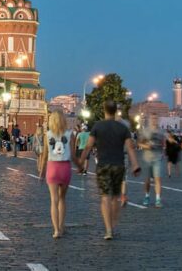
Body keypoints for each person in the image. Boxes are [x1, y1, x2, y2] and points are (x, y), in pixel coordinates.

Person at [76, 101, 140, 240]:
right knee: (116, 197)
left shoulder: (98, 126)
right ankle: (113, 224)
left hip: (103, 165)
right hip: (118, 165)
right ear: (115, 110)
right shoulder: (123, 128)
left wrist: (81, 163)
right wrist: (135, 165)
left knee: (105, 197)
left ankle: (108, 229)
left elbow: (88, 147)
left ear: (104, 110)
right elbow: (130, 148)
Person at [38, 111, 74, 239]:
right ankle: (62, 226)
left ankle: (56, 230)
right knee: (62, 199)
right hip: (65, 167)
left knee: (54, 200)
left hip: (52, 168)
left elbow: (45, 155)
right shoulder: (70, 134)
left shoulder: (47, 135)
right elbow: (73, 155)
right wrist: (80, 166)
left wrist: (41, 172)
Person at [139, 115, 166, 208]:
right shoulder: (146, 131)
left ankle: (158, 199)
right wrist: (146, 146)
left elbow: (163, 143)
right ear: (150, 120)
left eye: (156, 118)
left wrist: (163, 152)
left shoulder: (161, 131)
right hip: (147, 158)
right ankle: (147, 196)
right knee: (147, 180)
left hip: (157, 158)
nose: (154, 120)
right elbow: (139, 143)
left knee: (157, 178)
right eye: (153, 118)